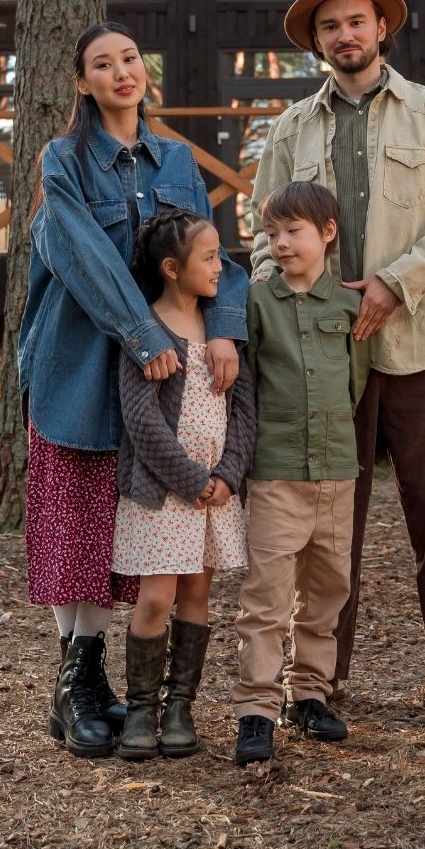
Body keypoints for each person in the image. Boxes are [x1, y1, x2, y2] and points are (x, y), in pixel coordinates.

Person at [250, 0, 425, 720]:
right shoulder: (290, 130)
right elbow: (265, 239)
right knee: (324, 521)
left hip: (422, 338)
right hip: (321, 357)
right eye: (329, 26)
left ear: (381, 28)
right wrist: (281, 320)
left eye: (356, 21)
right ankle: (320, 678)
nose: (344, 35)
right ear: (316, 42)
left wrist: (395, 281)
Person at [18, 22, 248, 759]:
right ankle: (75, 682)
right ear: (81, 83)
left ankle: (110, 688)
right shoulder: (64, 159)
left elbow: (209, 248)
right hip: (81, 358)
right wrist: (143, 336)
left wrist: (224, 323)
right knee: (76, 520)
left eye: (128, 59)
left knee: (130, 531)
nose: (121, 72)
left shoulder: (178, 160)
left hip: (160, 374)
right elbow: (81, 254)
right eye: (101, 64)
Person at [231, 181, 369, 765]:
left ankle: (309, 695)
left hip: (337, 472)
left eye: (294, 232)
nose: (282, 244)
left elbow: (355, 380)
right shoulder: (258, 302)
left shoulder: (349, 306)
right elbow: (247, 384)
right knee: (265, 596)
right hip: (276, 473)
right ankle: (256, 710)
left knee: (327, 592)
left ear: (327, 233)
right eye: (272, 234)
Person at [111, 209, 255, 761]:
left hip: (214, 496)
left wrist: (226, 476)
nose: (222, 267)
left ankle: (180, 708)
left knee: (198, 594)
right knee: (157, 597)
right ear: (172, 268)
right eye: (210, 258)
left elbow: (246, 410)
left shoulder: (226, 332)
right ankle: (142, 708)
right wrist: (191, 480)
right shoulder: (148, 332)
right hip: (161, 493)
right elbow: (141, 422)